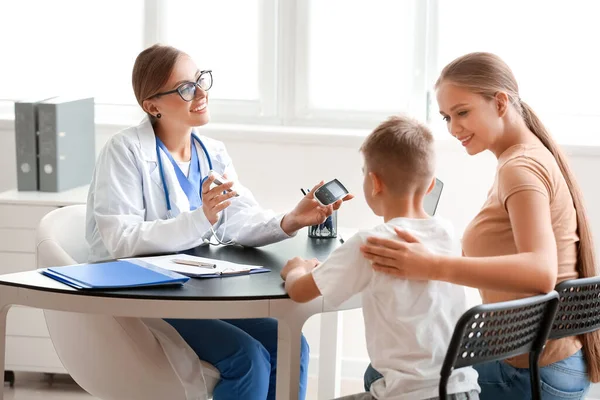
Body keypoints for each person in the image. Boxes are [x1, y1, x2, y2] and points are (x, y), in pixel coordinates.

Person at [86, 44, 352, 400]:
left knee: (290, 344)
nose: (201, 93)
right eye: (185, 88)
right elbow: (121, 240)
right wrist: (201, 218)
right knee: (247, 358)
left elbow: (238, 219)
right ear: (152, 106)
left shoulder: (211, 152)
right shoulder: (125, 151)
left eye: (200, 80)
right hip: (141, 294)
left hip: (190, 289)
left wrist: (291, 219)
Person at [359, 52, 600, 399]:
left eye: (462, 112)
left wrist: (431, 265)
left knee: (382, 373)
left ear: (500, 102)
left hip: (530, 372)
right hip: (547, 364)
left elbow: (540, 271)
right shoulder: (526, 157)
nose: (454, 128)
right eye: (446, 117)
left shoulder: (521, 168)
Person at [281, 116, 481, 400]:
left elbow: (300, 292)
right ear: (429, 185)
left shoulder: (370, 242)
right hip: (464, 391)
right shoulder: (447, 233)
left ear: (374, 183)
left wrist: (296, 269)